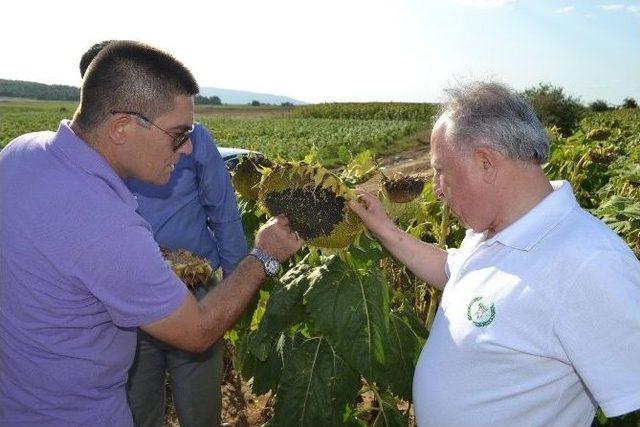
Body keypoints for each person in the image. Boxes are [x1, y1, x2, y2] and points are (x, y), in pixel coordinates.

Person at [0, 40, 302, 427]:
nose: (189, 146)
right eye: (178, 134)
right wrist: (263, 255)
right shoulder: (110, 227)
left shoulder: (19, 153)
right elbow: (198, 331)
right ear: (121, 127)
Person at [349, 82, 640, 427]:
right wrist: (385, 229)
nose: (437, 189)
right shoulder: (492, 231)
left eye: (441, 171)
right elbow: (450, 271)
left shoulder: (589, 263)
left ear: (486, 162)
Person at [79, 40, 245, 427]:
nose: (180, 148)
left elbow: (223, 210)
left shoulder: (189, 138)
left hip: (195, 289)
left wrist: (236, 285)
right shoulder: (95, 154)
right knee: (140, 405)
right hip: (131, 300)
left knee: (199, 406)